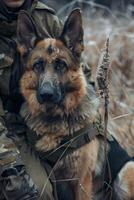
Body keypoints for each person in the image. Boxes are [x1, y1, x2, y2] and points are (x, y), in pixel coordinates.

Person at [0, 0, 63, 199]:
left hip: (42, 123)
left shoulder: (47, 20)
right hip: (6, 129)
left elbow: (79, 74)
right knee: (36, 193)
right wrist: (9, 163)